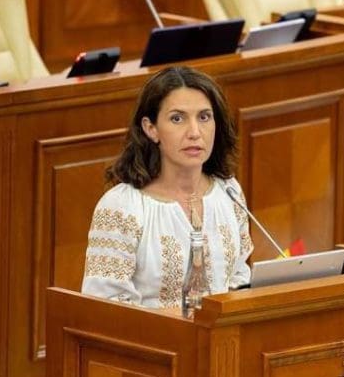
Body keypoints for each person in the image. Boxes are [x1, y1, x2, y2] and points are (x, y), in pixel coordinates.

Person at [81, 65, 253, 307]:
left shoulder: (228, 191)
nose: (195, 132)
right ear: (150, 129)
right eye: (177, 118)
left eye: (204, 117)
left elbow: (239, 277)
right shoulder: (121, 206)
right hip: (150, 332)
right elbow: (105, 307)